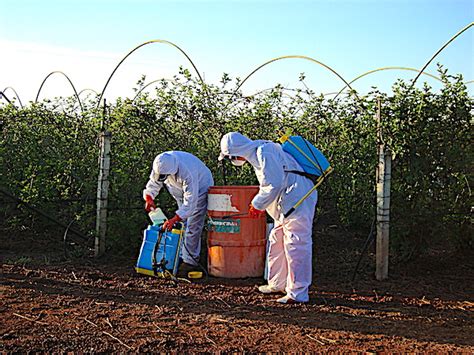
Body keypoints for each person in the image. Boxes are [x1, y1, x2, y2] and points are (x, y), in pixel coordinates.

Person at [219, 132, 317, 304]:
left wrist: (257, 205)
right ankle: (277, 283)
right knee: (276, 239)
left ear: (236, 152)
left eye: (230, 157)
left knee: (296, 244)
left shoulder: (265, 151)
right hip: (288, 200)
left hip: (298, 199)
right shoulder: (259, 153)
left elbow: (273, 184)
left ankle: (298, 293)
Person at [143, 151, 214, 274]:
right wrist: (149, 198)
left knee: (192, 225)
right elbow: (153, 183)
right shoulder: (161, 163)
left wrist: (174, 219)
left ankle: (190, 261)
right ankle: (179, 256)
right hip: (179, 191)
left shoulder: (188, 171)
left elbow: (190, 203)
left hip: (200, 190)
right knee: (183, 224)